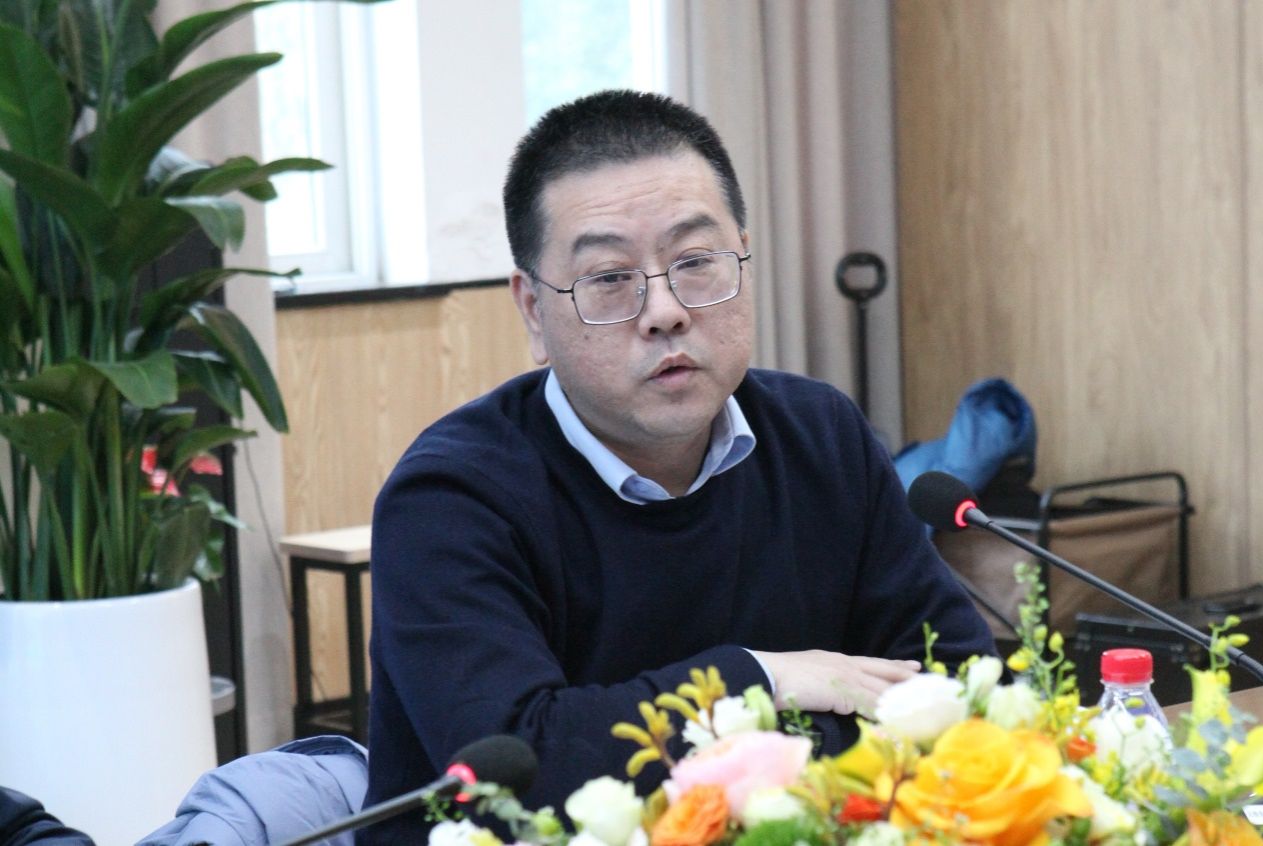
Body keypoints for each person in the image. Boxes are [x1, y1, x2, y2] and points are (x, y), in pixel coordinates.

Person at [358, 89, 994, 843]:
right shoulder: (450, 498)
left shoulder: (820, 435)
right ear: (532, 310)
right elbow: (523, 767)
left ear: (744, 259)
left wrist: (759, 760)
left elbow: (954, 684)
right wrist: (762, 680)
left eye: (696, 262)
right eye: (609, 278)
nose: (665, 311)